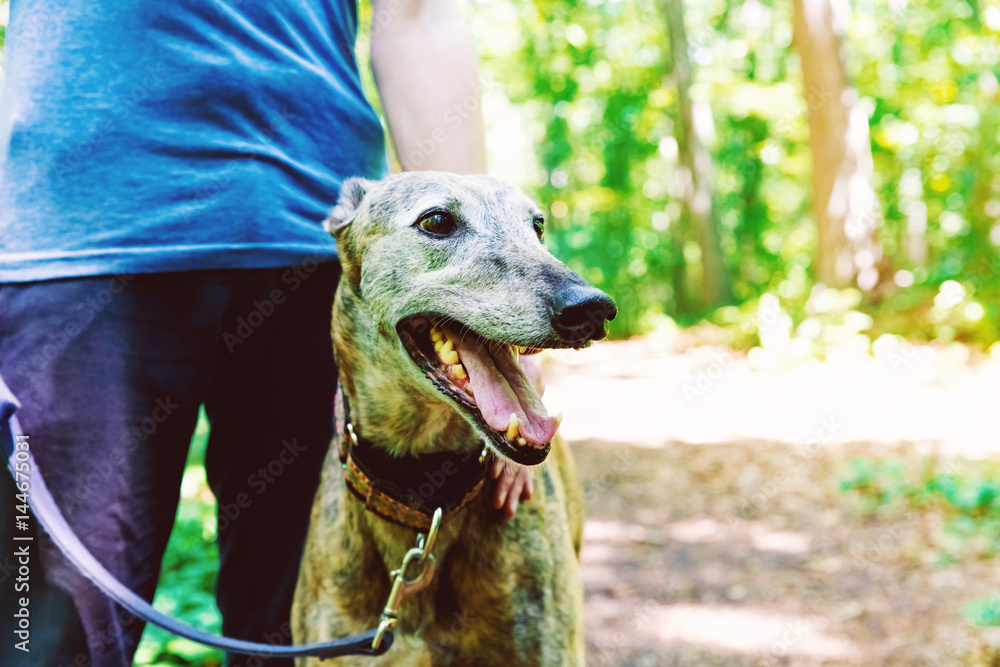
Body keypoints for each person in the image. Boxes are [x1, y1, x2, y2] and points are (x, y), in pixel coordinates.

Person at [0, 1, 534, 666]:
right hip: (73, 242)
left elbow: (417, 16)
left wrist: (488, 310)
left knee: (292, 642)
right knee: (42, 639)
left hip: (314, 248)